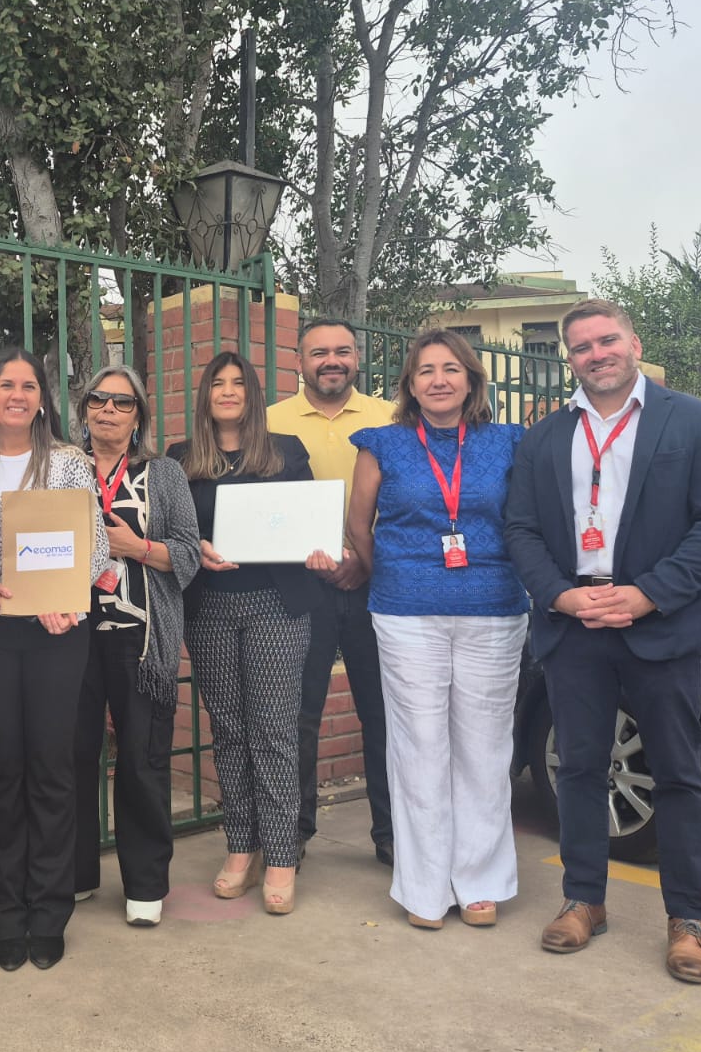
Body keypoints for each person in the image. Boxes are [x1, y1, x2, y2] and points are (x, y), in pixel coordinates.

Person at [504, 298, 701, 982]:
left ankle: (690, 919)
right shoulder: (545, 438)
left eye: (607, 340)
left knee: (679, 773)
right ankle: (583, 899)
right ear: (569, 360)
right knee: (579, 769)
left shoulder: (695, 421)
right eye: (582, 347)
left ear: (634, 344)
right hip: (574, 624)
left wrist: (649, 593)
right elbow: (520, 528)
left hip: (660, 622)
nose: (597, 354)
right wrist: (560, 594)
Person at [341, 330, 527, 931]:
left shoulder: (509, 442)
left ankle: (480, 882)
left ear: (471, 381)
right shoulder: (381, 444)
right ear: (410, 384)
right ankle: (424, 888)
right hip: (405, 612)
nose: (439, 380)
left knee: (484, 748)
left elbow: (525, 521)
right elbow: (358, 526)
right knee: (417, 746)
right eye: (426, 370)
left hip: (493, 608)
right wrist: (396, 573)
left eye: (451, 369)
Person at [0, 346, 109, 972]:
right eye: (5, 384)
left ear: (42, 399)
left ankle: (49, 910)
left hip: (57, 634)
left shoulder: (69, 463)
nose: (17, 395)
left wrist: (64, 596)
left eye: (29, 386)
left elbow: (94, 547)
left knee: (51, 769)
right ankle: (5, 913)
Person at [168, 351, 324, 916]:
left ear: (252, 394)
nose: (228, 391)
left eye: (238, 382)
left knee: (274, 731)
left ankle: (281, 854)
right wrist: (196, 546)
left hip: (277, 606)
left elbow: (309, 521)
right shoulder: (180, 459)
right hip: (208, 606)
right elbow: (172, 529)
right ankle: (241, 845)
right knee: (229, 731)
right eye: (218, 383)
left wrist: (317, 546)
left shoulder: (286, 452)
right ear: (205, 395)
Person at [72, 365, 201, 928]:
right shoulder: (62, 468)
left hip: (141, 639)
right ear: (84, 409)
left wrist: (135, 547)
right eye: (98, 399)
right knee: (71, 758)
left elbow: (189, 554)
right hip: (69, 636)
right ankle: (75, 872)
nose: (108, 409)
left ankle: (145, 884)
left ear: (139, 416)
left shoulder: (163, 473)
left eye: (122, 403)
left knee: (142, 762)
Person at [267, 319, 395, 869]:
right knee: (298, 715)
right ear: (299, 362)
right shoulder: (270, 420)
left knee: (384, 715)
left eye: (342, 350)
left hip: (377, 583)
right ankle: (293, 832)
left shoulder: (391, 417)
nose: (332, 360)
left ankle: (392, 834)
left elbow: (407, 499)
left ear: (357, 358)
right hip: (301, 586)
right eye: (319, 352)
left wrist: (365, 560)